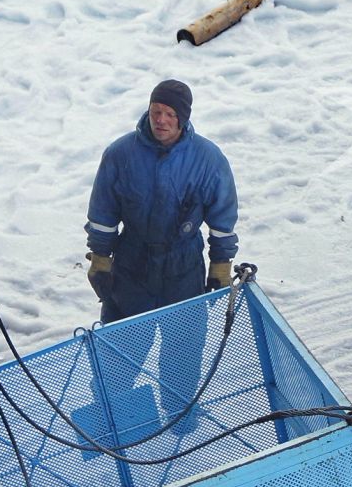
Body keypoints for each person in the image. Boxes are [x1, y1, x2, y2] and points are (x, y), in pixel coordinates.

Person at [84, 79, 240, 427]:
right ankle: (112, 414)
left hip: (182, 266)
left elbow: (222, 217)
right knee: (121, 345)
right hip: (132, 263)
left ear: (183, 119)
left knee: (183, 347)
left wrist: (220, 265)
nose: (162, 120)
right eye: (157, 111)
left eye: (170, 114)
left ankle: (179, 412)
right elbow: (103, 212)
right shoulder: (120, 154)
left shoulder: (208, 159)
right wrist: (100, 258)